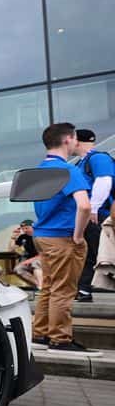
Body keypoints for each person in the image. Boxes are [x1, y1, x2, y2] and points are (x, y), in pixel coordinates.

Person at [32, 123, 100, 356]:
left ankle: (40, 334)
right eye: (74, 139)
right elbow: (84, 205)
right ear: (68, 140)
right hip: (62, 237)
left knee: (49, 287)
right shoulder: (68, 170)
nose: (76, 143)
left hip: (43, 235)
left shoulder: (40, 169)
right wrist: (79, 236)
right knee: (63, 289)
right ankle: (60, 340)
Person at [74, 129, 113, 302]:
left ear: (77, 141)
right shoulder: (80, 163)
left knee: (104, 253)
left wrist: (94, 207)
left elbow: (104, 180)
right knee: (89, 253)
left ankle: (84, 289)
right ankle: (83, 289)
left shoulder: (98, 158)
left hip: (101, 216)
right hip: (89, 216)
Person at [8, 219, 40, 289]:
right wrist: (13, 237)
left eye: (27, 228)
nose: (25, 230)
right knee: (18, 269)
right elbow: (11, 249)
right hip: (29, 260)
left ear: (33, 227)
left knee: (35, 264)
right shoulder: (23, 237)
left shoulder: (40, 235)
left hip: (42, 259)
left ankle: (42, 287)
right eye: (23, 229)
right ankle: (39, 286)